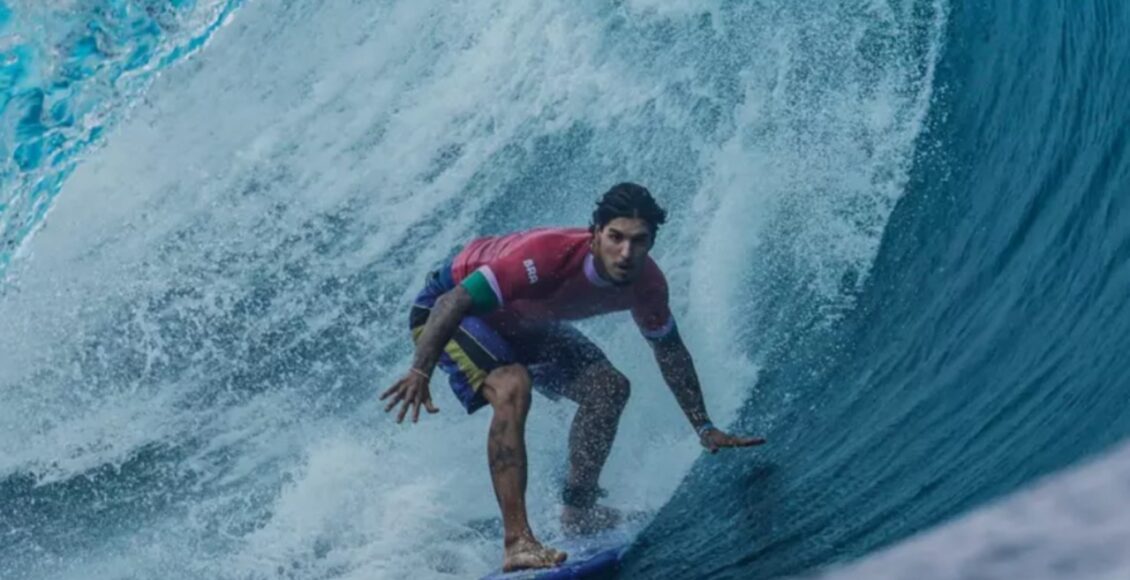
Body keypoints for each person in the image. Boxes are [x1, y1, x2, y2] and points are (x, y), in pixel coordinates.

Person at [380, 183, 765, 572]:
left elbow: (669, 349)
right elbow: (453, 301)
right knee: (512, 385)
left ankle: (577, 510)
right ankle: (517, 542)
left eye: (639, 241)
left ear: (651, 243)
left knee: (609, 388)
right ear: (594, 234)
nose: (626, 252)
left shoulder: (647, 285)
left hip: (525, 323)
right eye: (615, 237)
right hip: (447, 311)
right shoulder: (546, 256)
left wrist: (704, 426)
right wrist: (419, 371)